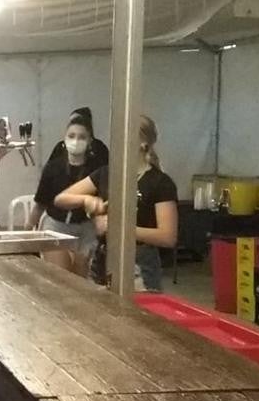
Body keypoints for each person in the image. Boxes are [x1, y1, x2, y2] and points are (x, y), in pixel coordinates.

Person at [54, 115, 178, 291]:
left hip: (139, 264)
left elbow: (167, 236)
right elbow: (61, 199)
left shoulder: (160, 183)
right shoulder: (106, 173)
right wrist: (87, 200)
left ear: (143, 143)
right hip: (102, 260)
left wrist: (120, 229)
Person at [30, 114, 106, 276]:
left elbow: (101, 203)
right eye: (71, 136)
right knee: (61, 276)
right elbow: (40, 203)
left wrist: (98, 216)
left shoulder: (97, 169)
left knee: (79, 280)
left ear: (90, 141)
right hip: (55, 225)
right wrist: (28, 230)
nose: (76, 141)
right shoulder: (53, 168)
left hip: (85, 228)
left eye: (82, 137)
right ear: (64, 139)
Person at [45, 107, 110, 169]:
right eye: (71, 122)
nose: (76, 141)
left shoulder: (99, 147)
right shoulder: (59, 147)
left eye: (82, 137)